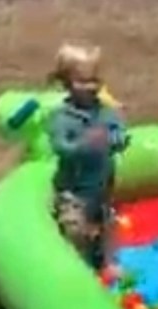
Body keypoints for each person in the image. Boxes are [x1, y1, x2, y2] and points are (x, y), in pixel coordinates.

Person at [46, 44, 130, 271]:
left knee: (108, 225)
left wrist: (113, 139)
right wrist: (86, 144)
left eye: (95, 80)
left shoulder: (106, 112)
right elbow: (61, 147)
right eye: (83, 82)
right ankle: (80, 270)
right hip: (73, 192)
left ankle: (109, 264)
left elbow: (121, 137)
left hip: (102, 187)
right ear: (66, 83)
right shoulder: (61, 117)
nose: (91, 87)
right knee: (75, 231)